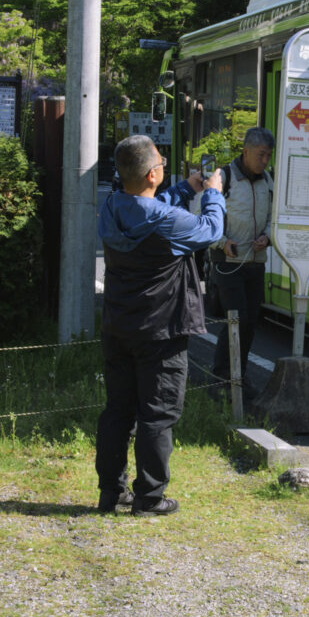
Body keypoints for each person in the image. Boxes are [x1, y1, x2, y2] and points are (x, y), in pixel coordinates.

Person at [96, 134, 225, 517]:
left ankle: (110, 493)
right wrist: (212, 193)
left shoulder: (111, 207)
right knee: (157, 414)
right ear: (153, 174)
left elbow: (147, 208)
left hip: (118, 325)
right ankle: (150, 498)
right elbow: (210, 231)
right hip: (161, 331)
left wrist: (185, 187)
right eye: (163, 168)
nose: (165, 172)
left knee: (118, 410)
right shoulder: (169, 222)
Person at [208, 127, 275, 397]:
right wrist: (222, 242)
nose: (265, 161)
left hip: (255, 262)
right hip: (227, 261)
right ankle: (223, 377)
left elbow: (274, 218)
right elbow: (202, 219)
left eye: (269, 156)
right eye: (261, 155)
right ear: (246, 151)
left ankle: (239, 376)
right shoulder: (223, 177)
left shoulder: (268, 180)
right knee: (236, 319)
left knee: (249, 322)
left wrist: (267, 238)